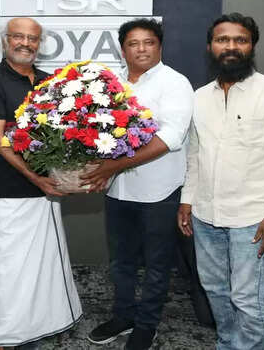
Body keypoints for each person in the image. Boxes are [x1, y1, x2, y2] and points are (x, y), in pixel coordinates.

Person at [177, 13, 264, 350]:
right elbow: (195, 154)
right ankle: (227, 343)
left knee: (248, 298)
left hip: (254, 218)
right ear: (210, 47)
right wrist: (187, 199)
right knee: (215, 289)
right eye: (223, 40)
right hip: (205, 214)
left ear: (252, 46)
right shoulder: (199, 97)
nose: (231, 46)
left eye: (240, 40)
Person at [81, 18, 194, 350]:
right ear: (123, 49)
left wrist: (112, 166)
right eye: (133, 43)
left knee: (157, 265)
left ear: (159, 47)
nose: (141, 49)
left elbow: (170, 138)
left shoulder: (175, 83)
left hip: (160, 190)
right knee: (121, 262)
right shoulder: (111, 83)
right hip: (118, 190)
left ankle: (147, 325)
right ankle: (124, 316)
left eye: (149, 42)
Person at [0, 17, 82, 349]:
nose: (25, 43)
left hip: (45, 190)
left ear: (40, 43)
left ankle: (40, 324)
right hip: (5, 191)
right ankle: (2, 335)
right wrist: (36, 178)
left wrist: (71, 173)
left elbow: (64, 135)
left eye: (32, 38)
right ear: (5, 41)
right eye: (18, 36)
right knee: (5, 268)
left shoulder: (49, 82)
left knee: (42, 264)